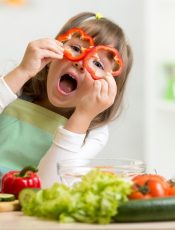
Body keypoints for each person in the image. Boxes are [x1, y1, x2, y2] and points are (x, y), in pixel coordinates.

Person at [0, 12, 133, 188]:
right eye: (76, 49)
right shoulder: (15, 88)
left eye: (98, 64)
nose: (81, 63)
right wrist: (22, 71)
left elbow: (49, 185)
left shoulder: (94, 132)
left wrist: (83, 116)